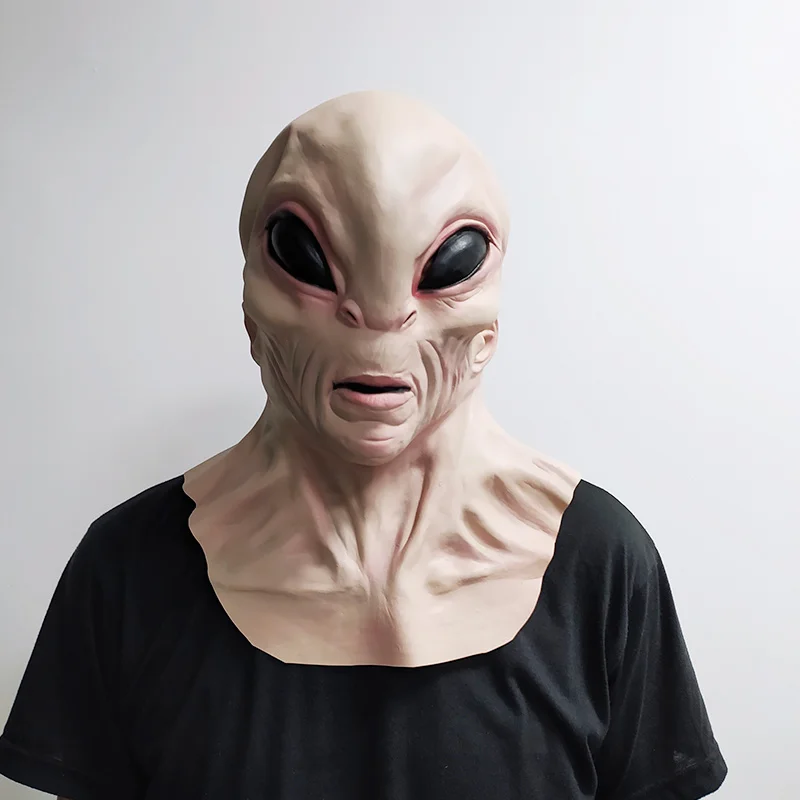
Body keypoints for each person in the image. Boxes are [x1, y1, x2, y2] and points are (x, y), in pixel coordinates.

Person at [0, 91, 727, 799]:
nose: (381, 320)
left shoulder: (599, 564)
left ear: (489, 318)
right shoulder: (129, 569)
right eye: (305, 257)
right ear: (251, 304)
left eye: (448, 263)